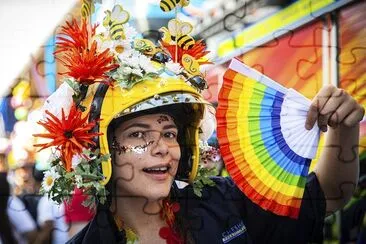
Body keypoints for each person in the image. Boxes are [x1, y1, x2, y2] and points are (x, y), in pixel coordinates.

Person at [33, 3, 365, 244]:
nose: (162, 147)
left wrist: (343, 129)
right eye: (138, 135)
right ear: (101, 151)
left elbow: (327, 198)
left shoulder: (225, 201)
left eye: (169, 133)